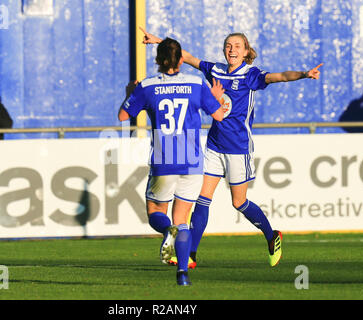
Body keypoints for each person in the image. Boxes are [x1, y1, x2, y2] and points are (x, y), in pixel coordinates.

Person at [141, 28, 322, 268]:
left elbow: (279, 76)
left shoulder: (251, 75)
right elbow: (188, 57)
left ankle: (272, 235)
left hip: (238, 148)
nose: (232, 49)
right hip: (214, 146)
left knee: (239, 203)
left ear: (246, 51)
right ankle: (191, 254)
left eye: (237, 45)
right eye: (228, 45)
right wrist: (159, 42)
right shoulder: (215, 70)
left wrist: (303, 74)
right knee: (202, 199)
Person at [118, 37, 224, 286]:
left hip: (164, 159)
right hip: (192, 161)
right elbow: (219, 115)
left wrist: (131, 94)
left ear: (158, 59)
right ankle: (183, 274)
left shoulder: (147, 85)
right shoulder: (197, 83)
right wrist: (215, 97)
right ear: (180, 59)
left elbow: (124, 115)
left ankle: (168, 232)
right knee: (182, 219)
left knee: (156, 212)